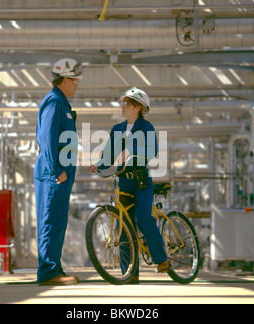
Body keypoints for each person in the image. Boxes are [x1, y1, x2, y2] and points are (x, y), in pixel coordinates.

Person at [89, 87, 170, 283]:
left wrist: (134, 153)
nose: (123, 106)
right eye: (123, 103)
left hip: (141, 182)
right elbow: (108, 155)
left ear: (138, 108)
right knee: (123, 226)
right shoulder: (117, 129)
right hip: (123, 181)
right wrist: (98, 166)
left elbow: (152, 152)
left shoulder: (146, 127)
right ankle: (129, 273)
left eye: (127, 104)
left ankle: (162, 259)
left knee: (143, 219)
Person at [34, 58, 82, 286]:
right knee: (50, 220)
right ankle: (48, 271)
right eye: (74, 80)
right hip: (54, 172)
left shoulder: (61, 102)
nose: (77, 84)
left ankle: (55, 267)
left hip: (60, 170)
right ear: (64, 80)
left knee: (57, 220)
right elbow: (47, 137)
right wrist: (56, 169)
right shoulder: (54, 101)